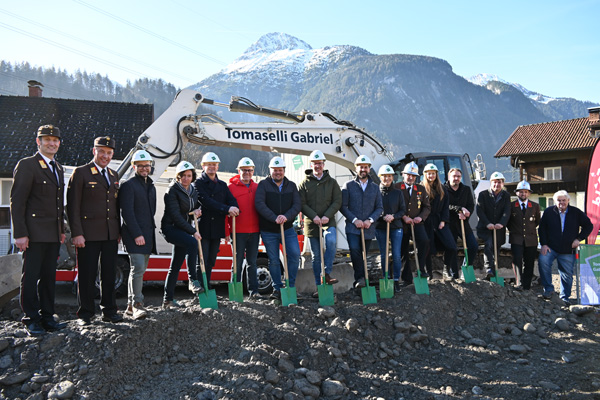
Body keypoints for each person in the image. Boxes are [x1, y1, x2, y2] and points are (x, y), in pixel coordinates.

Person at [10, 124, 67, 335]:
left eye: (55, 140)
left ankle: (47, 317)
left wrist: (61, 230)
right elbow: (18, 201)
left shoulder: (58, 168)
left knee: (49, 277)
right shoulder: (27, 165)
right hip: (33, 233)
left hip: (52, 234)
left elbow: (58, 204)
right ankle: (31, 319)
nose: (52, 143)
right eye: (47, 140)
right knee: (31, 277)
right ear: (38, 142)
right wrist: (20, 233)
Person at [67, 136, 123, 326]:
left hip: (110, 233)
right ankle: (85, 314)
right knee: (87, 274)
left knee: (109, 274)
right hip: (87, 234)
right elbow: (73, 206)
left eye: (109, 153)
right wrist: (76, 233)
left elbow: (115, 206)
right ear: (94, 151)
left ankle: (109, 311)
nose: (105, 156)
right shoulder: (81, 172)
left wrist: (118, 231)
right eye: (102, 152)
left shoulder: (114, 175)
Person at [255, 156, 302, 300]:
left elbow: (297, 205)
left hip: (287, 229)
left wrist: (286, 217)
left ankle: (290, 286)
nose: (277, 172)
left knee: (294, 254)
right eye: (275, 170)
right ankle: (277, 288)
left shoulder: (291, 186)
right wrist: (274, 217)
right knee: (274, 260)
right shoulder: (263, 185)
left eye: (280, 170)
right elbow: (259, 204)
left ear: (284, 170)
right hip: (269, 230)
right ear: (270, 170)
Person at [298, 150, 342, 298]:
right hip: (312, 224)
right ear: (311, 165)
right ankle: (319, 286)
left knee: (331, 241)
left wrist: (326, 216)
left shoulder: (332, 182)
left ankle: (326, 273)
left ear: (324, 164)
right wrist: (314, 216)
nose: (317, 166)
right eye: (315, 163)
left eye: (320, 163)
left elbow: (337, 201)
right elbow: (302, 203)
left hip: (328, 221)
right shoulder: (304, 183)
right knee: (316, 256)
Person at [161, 161, 204, 308]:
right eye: (183, 176)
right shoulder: (172, 191)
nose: (186, 178)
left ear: (192, 177)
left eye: (189, 176)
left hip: (183, 230)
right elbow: (176, 216)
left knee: (175, 265)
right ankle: (192, 280)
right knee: (192, 243)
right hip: (171, 228)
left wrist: (197, 211)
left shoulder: (193, 190)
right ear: (178, 176)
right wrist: (193, 231)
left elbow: (193, 207)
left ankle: (168, 300)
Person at [119, 150, 156, 320]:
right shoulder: (128, 185)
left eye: (146, 165)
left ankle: (129, 307)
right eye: (140, 166)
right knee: (138, 268)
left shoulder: (151, 186)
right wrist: (137, 234)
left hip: (147, 235)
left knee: (139, 270)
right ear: (134, 166)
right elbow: (127, 213)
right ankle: (137, 305)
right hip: (135, 235)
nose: (144, 168)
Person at [194, 152, 239, 290]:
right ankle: (201, 288)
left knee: (211, 260)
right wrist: (227, 209)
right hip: (203, 227)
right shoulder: (198, 183)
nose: (212, 167)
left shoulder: (222, 185)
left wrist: (235, 208)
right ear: (203, 166)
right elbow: (207, 201)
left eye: (214, 164)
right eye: (209, 164)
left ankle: (207, 285)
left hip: (217, 228)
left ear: (218, 166)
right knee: (202, 259)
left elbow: (231, 200)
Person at [538, 190, 592, 305]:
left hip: (568, 249)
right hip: (551, 247)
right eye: (559, 200)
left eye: (564, 200)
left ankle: (564, 297)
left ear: (568, 200)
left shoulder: (576, 212)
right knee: (543, 261)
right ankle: (549, 290)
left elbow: (589, 226)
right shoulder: (548, 212)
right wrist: (544, 244)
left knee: (567, 274)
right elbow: (542, 228)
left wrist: (578, 239)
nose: (561, 202)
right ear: (555, 201)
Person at [340, 155, 383, 289]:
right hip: (352, 227)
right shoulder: (348, 185)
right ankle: (360, 278)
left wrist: (370, 220)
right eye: (360, 167)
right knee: (354, 250)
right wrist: (354, 220)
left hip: (368, 228)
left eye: (365, 167)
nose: (363, 169)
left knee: (364, 254)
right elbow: (343, 206)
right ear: (356, 168)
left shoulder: (375, 188)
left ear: (369, 169)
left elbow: (379, 208)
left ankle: (361, 281)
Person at [226, 157, 261, 298]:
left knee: (252, 262)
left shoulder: (257, 188)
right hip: (237, 232)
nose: (247, 173)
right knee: (237, 262)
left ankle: (254, 291)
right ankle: (236, 292)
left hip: (255, 231)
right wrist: (226, 231)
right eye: (244, 170)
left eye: (249, 170)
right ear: (238, 170)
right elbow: (225, 211)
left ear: (253, 171)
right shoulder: (230, 188)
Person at [422, 164, 459, 280]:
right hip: (426, 221)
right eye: (429, 173)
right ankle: (429, 272)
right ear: (425, 174)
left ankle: (446, 269)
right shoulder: (421, 188)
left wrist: (443, 220)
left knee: (452, 246)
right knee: (427, 248)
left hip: (439, 220)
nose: (431, 175)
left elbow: (445, 207)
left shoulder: (442, 189)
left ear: (436, 174)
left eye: (433, 173)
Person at [396, 161, 430, 282]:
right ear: (403, 175)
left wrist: (420, 217)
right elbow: (393, 206)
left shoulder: (420, 189)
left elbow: (427, 207)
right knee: (403, 249)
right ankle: (407, 278)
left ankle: (421, 268)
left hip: (416, 223)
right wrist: (403, 217)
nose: (410, 177)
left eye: (413, 176)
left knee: (424, 241)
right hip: (401, 223)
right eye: (408, 175)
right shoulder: (396, 187)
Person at [374, 165, 405, 292]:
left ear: (393, 177)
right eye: (384, 176)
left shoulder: (398, 193)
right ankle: (386, 277)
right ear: (380, 177)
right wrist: (382, 217)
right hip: (380, 227)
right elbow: (373, 209)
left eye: (389, 176)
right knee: (384, 254)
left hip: (396, 226)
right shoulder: (376, 192)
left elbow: (402, 210)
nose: (387, 178)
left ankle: (396, 280)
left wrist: (393, 216)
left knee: (396, 255)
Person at [476, 171, 511, 279]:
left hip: (499, 229)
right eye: (494, 182)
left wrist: (502, 223)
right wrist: (487, 223)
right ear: (491, 183)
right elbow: (480, 210)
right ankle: (489, 269)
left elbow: (507, 211)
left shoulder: (506, 195)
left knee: (497, 247)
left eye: (499, 182)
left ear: (503, 183)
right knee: (489, 244)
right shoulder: (483, 195)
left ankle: (494, 269)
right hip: (485, 228)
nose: (497, 184)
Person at [507, 180, 540, 290]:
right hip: (516, 238)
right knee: (517, 260)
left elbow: (537, 222)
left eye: (526, 192)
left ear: (529, 193)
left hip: (531, 239)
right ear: (517, 193)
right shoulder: (511, 206)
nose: (523, 194)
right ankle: (519, 282)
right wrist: (515, 230)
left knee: (529, 262)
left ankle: (527, 285)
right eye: (521, 192)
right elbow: (508, 222)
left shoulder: (535, 206)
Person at [444, 168, 478, 276]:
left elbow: (471, 205)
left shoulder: (466, 189)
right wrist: (459, 209)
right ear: (449, 177)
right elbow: (444, 206)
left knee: (473, 246)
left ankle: (466, 268)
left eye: (458, 176)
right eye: (454, 176)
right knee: (452, 248)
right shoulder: (443, 189)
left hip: (463, 223)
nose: (456, 178)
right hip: (449, 224)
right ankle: (454, 274)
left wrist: (467, 214)